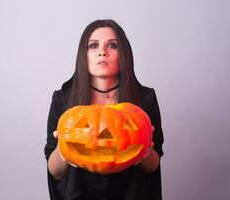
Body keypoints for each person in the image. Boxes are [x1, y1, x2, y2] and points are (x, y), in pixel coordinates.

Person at [44, 19, 164, 200]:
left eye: (113, 45)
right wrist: (64, 147)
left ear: (124, 53)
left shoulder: (145, 99)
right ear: (83, 55)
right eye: (93, 46)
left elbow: (153, 168)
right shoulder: (62, 99)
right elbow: (55, 172)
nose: (102, 52)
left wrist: (145, 146)